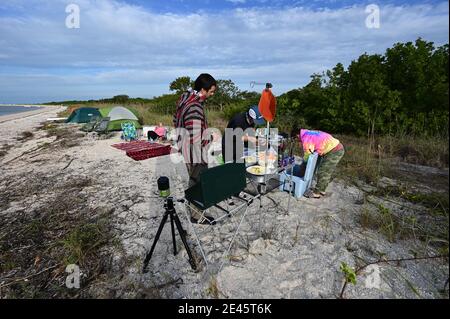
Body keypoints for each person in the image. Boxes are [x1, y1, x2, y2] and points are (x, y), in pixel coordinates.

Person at [173, 73, 217, 224]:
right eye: (211, 91)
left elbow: (175, 120)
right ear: (203, 90)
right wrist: (211, 138)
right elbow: (196, 137)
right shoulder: (195, 107)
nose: (213, 94)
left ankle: (194, 210)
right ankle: (197, 216)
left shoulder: (184, 99)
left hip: (184, 147)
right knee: (198, 182)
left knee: (193, 179)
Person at [293, 128, 345, 198]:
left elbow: (308, 155)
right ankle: (322, 190)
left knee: (324, 171)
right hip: (332, 148)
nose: (298, 141)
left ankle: (316, 193)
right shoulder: (308, 133)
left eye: (296, 139)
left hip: (335, 150)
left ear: (297, 135)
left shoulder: (306, 138)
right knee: (325, 171)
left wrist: (303, 165)